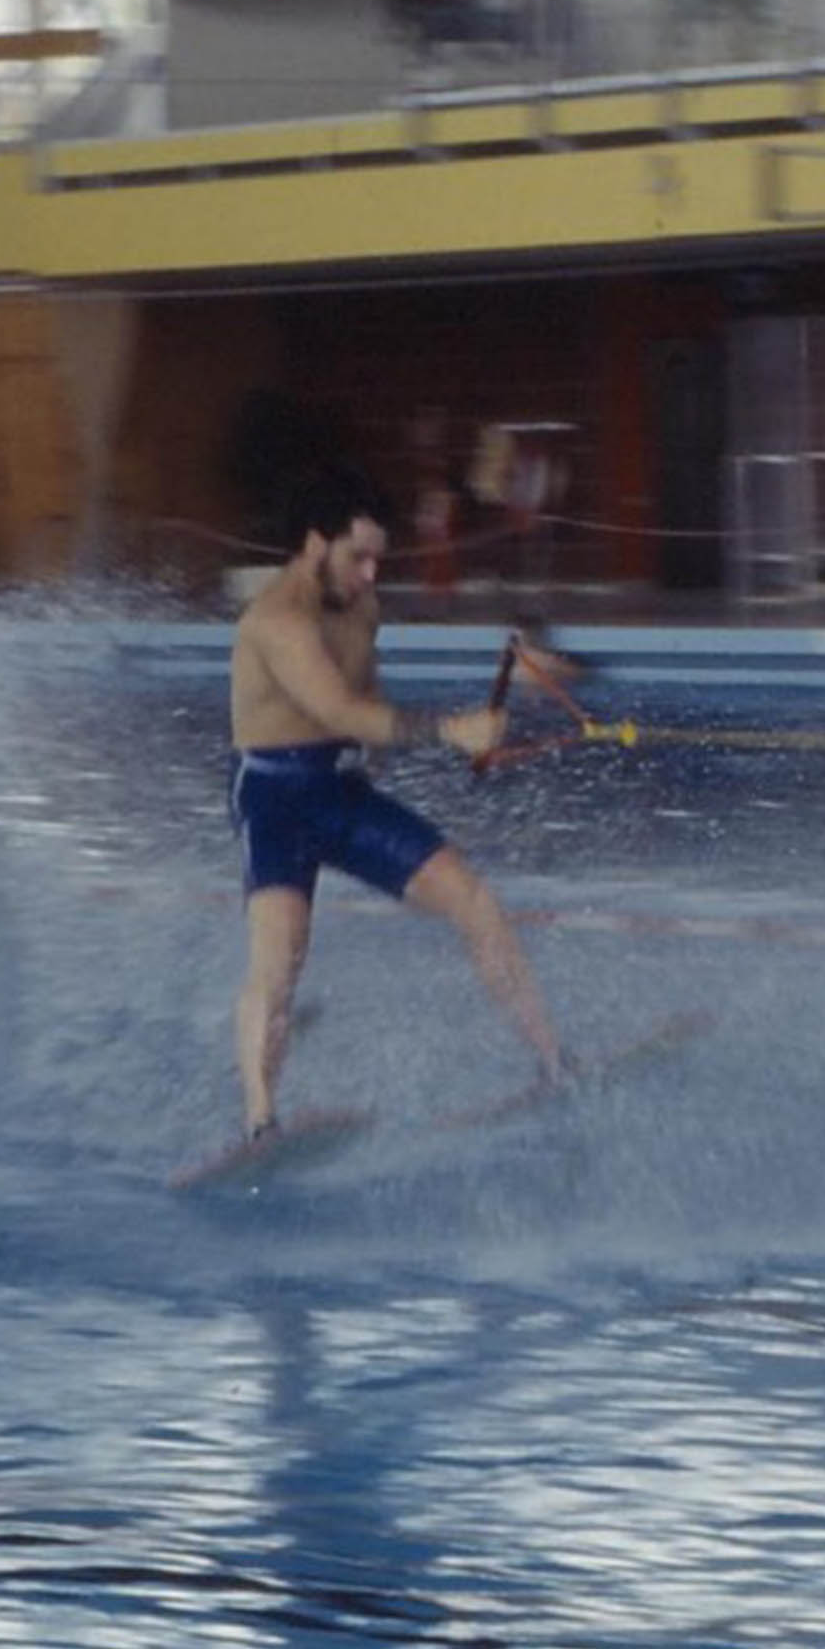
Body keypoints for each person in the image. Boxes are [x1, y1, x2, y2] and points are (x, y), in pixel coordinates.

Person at [213, 463, 568, 1155]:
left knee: (476, 901)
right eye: (359, 557)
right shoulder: (277, 621)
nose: (372, 573)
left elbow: (365, 708)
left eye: (379, 558)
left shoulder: (362, 607)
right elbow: (338, 708)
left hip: (341, 790)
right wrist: (449, 730)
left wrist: (440, 749)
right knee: (279, 962)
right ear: (316, 544)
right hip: (273, 797)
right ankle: (261, 1122)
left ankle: (555, 1064)